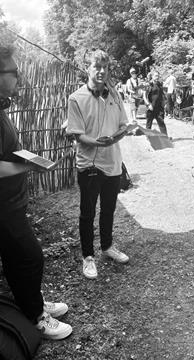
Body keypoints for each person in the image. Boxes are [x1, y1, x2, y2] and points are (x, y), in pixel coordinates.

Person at [0, 45, 72, 340]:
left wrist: (26, 158)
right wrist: (30, 168)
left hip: (5, 202)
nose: (19, 76)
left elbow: (1, 151)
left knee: (16, 254)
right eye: (14, 72)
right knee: (30, 256)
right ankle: (36, 316)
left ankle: (30, 301)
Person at [66, 50, 130, 280]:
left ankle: (107, 246)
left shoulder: (114, 95)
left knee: (109, 209)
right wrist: (98, 143)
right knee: (87, 212)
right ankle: (88, 257)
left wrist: (119, 136)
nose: (101, 71)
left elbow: (123, 125)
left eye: (105, 67)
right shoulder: (76, 98)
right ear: (88, 68)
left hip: (112, 162)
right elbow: (76, 134)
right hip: (89, 165)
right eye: (96, 66)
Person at [143, 70, 168, 136]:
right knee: (149, 123)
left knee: (161, 123)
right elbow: (144, 96)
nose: (157, 77)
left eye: (158, 76)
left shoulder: (159, 84)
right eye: (156, 76)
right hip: (151, 107)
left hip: (159, 107)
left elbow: (162, 94)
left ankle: (165, 137)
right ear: (152, 76)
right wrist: (148, 105)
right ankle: (148, 137)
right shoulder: (148, 85)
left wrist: (164, 103)